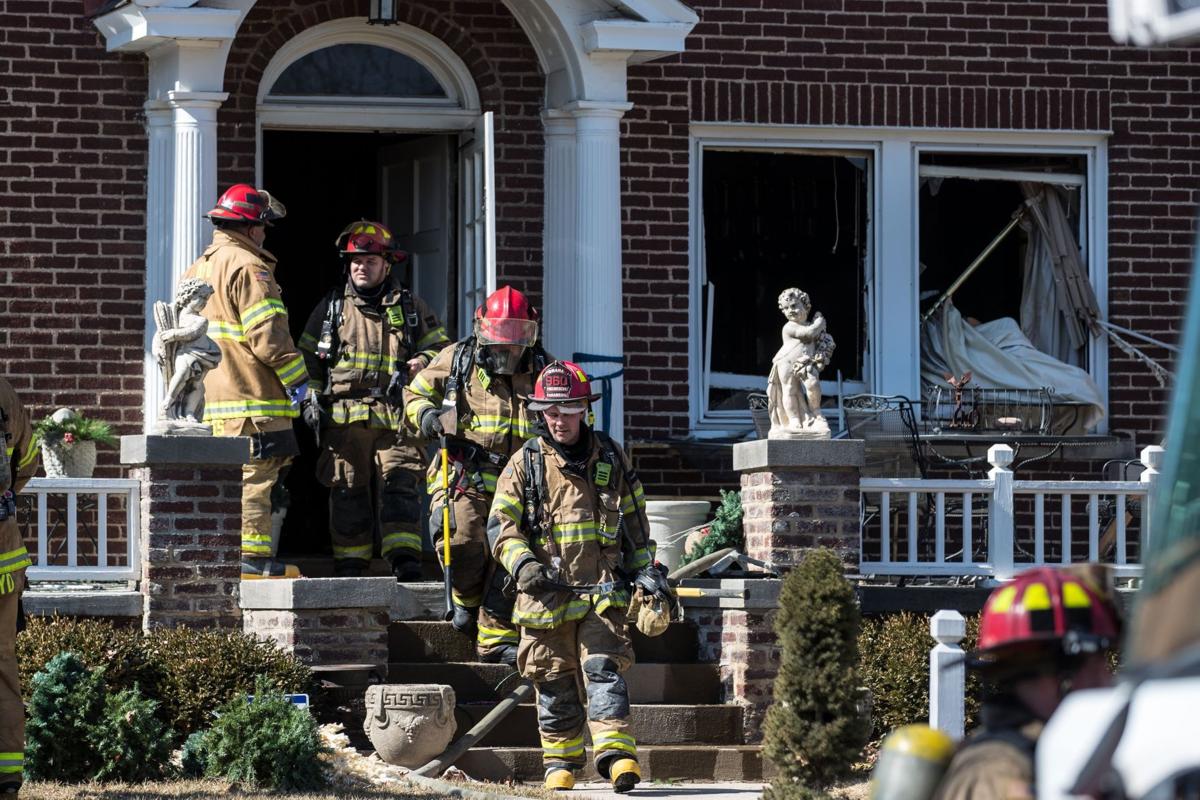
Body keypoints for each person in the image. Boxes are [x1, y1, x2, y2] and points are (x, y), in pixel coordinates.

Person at [487, 360, 655, 794]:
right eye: (550, 412)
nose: (558, 420)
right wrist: (524, 565)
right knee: (554, 680)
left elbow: (635, 521)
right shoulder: (524, 463)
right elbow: (500, 526)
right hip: (545, 596)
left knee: (604, 670)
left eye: (567, 410)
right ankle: (561, 764)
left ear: (584, 409)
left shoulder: (611, 456)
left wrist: (646, 571)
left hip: (602, 590)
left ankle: (616, 757)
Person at [403, 286, 548, 663]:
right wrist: (428, 416)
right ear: (483, 332)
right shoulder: (457, 360)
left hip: (522, 482)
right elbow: (414, 395)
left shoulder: (544, 371)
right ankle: (466, 599)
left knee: (514, 549)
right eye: (500, 338)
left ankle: (495, 636)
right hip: (463, 471)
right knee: (462, 537)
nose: (508, 349)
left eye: (517, 339)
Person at [298, 220, 449, 579]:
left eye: (370, 261)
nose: (361, 267)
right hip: (345, 421)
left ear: (387, 265)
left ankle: (405, 562)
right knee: (348, 491)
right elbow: (306, 358)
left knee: (401, 489)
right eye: (355, 261)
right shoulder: (331, 308)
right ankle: (351, 565)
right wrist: (310, 399)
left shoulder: (411, 306)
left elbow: (443, 351)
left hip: (398, 418)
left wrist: (422, 361)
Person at [182, 183, 308, 580]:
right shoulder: (249, 267)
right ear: (252, 227)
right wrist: (301, 383)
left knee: (224, 484)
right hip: (253, 401)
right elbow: (269, 337)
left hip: (212, 403)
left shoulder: (197, 268)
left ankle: (227, 558)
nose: (265, 234)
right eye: (264, 227)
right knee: (256, 477)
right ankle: (252, 562)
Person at [933, 564, 1121, 800]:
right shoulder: (998, 775)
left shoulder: (1055, 750)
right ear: (1063, 672)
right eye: (1099, 661)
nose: (1107, 677)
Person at [0, 378, 39, 794]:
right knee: (2, 668)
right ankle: (6, 777)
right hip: (5, 561)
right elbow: (27, 460)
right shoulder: (3, 392)